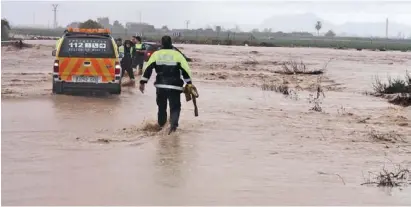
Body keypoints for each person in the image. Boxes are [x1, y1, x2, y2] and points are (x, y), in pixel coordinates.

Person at [139, 35, 193, 134]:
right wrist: (189, 83)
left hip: (161, 86)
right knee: (175, 107)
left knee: (161, 107)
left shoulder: (156, 54)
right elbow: (186, 70)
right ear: (171, 43)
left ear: (161, 43)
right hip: (175, 86)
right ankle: (173, 128)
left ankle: (161, 127)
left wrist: (142, 82)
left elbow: (148, 69)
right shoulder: (177, 55)